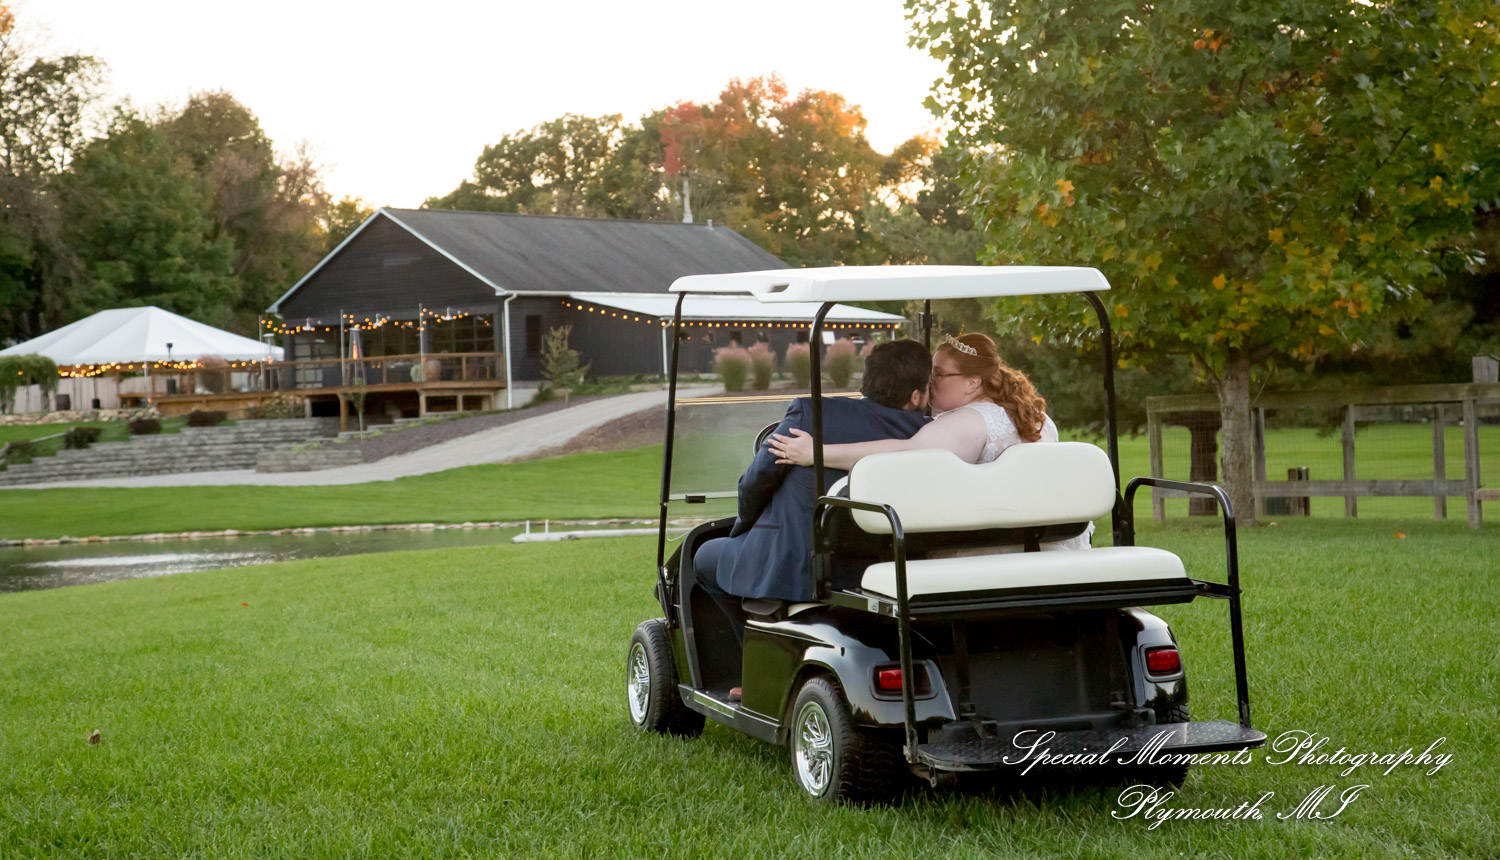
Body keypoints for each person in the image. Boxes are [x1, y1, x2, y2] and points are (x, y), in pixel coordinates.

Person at [692, 339, 933, 649]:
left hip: (802, 566)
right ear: (916, 396)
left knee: (703, 557)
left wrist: (748, 525)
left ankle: (750, 661)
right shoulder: (927, 432)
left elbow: (755, 483)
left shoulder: (813, 413)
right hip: (888, 562)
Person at [767, 332, 1093, 551]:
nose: (929, 382)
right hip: (1044, 536)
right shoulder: (1031, 413)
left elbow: (906, 453)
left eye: (938, 374)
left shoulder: (969, 421)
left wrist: (816, 453)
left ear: (972, 383)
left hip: (993, 546)